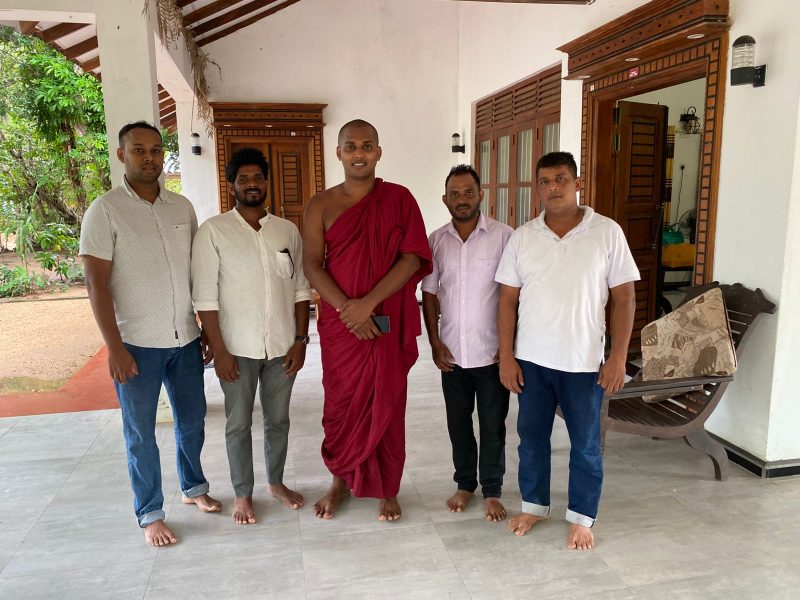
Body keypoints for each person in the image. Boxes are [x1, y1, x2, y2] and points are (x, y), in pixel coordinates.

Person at [80, 121, 221, 547]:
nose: (149, 158)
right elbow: (96, 285)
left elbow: (197, 274)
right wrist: (114, 348)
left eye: (156, 150)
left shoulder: (182, 208)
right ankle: (150, 512)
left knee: (192, 422)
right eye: (138, 150)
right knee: (141, 433)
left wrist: (204, 327)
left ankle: (193, 487)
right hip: (136, 346)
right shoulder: (104, 211)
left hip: (185, 339)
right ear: (121, 154)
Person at [495, 151, 638, 550]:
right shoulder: (523, 237)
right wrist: (507, 357)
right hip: (532, 361)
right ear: (537, 188)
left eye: (560, 178)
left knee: (586, 445)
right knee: (531, 440)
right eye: (545, 181)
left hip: (584, 362)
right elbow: (507, 301)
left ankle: (581, 517)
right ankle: (534, 506)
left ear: (577, 183)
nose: (553, 187)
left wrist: (618, 357)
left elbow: (624, 298)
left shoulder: (606, 232)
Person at [302, 119, 432, 521]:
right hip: (341, 326)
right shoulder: (320, 205)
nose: (359, 153)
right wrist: (348, 309)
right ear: (338, 153)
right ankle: (339, 481)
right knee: (340, 403)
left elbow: (412, 258)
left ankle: (387, 489)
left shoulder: (399, 199)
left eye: (367, 145)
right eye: (351, 146)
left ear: (378, 152)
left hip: (384, 318)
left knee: (387, 402)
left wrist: (367, 305)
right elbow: (312, 264)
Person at [191, 147, 312, 525]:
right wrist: (220, 350)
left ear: (267, 182)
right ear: (232, 185)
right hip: (236, 349)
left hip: (281, 347)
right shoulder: (214, 231)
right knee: (238, 424)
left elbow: (300, 289)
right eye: (243, 179)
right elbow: (205, 297)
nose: (252, 184)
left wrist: (301, 340)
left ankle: (275, 483)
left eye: (258, 177)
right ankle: (243, 493)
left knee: (279, 421)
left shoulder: (287, 231)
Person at [421, 165, 512, 522]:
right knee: (457, 423)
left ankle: (492, 490)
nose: (462, 200)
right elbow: (430, 293)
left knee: (492, 425)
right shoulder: (435, 241)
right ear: (445, 200)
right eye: (455, 194)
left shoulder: (504, 237)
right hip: (452, 354)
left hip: (492, 352)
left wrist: (509, 345)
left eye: (468, 193)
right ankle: (464, 484)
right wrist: (434, 342)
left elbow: (514, 294)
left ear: (480, 195)